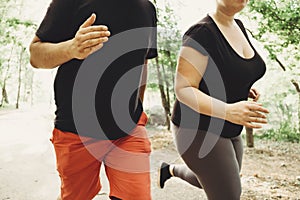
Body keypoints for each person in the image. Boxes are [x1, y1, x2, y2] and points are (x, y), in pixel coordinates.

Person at [29, 0, 157, 199]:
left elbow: (143, 61)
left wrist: (138, 108)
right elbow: (35, 55)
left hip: (128, 129)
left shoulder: (147, 7)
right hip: (76, 130)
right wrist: (71, 48)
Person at [158, 0, 269, 199]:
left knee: (214, 180)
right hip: (198, 128)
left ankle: (170, 170)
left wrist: (242, 85)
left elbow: (225, 68)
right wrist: (228, 110)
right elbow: (183, 88)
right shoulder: (201, 33)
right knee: (229, 193)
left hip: (230, 125)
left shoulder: (239, 26)